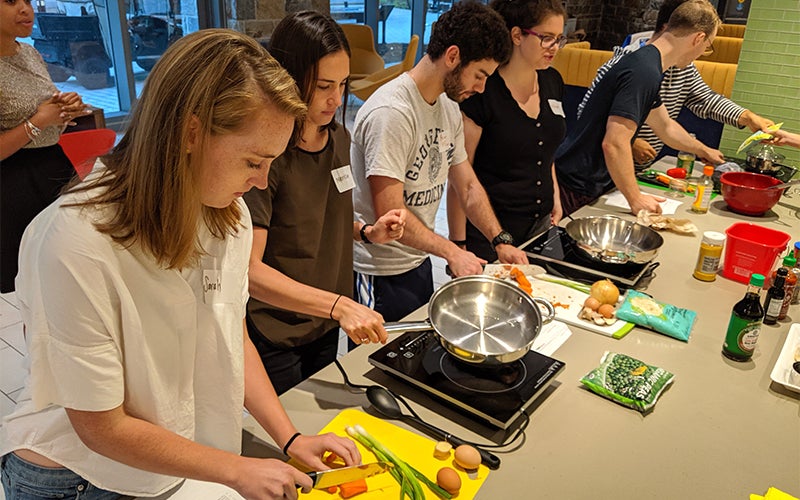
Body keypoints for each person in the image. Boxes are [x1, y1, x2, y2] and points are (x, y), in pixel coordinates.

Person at [0, 29, 360, 500]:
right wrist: (236, 470)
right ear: (190, 133)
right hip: (78, 475)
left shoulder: (226, 217)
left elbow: (228, 332)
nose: (261, 181)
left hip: (170, 457)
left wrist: (289, 437)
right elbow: (101, 427)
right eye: (253, 160)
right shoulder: (74, 242)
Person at [243, 11, 406, 395]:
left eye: (343, 84)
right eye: (323, 86)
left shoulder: (339, 138)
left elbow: (315, 221)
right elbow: (248, 271)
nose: (336, 99)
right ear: (289, 79)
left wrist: (366, 232)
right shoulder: (268, 155)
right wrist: (338, 305)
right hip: (277, 331)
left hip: (323, 322)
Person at [350, 0, 528, 322]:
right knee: (374, 362)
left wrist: (499, 240)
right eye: (480, 74)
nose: (482, 87)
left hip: (418, 262)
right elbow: (391, 215)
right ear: (453, 56)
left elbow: (468, 186)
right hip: (380, 271)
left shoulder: (447, 107)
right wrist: (452, 251)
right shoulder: (392, 113)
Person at [554, 0, 725, 217]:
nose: (702, 52)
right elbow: (614, 142)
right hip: (577, 184)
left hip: (588, 180)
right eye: (707, 46)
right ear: (698, 38)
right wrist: (635, 199)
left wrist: (703, 150)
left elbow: (665, 127)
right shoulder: (644, 71)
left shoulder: (648, 63)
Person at [577, 0, 773, 168]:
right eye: (706, 45)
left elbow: (702, 102)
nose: (702, 52)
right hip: (602, 166)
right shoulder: (629, 65)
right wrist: (630, 141)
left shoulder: (682, 68)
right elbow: (586, 114)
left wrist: (746, 117)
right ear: (668, 27)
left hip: (640, 169)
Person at [447, 0, 567, 262]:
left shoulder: (552, 80)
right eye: (546, 38)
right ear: (516, 35)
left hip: (542, 225)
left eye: (559, 38)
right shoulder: (482, 91)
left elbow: (546, 150)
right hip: (491, 229)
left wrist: (555, 197)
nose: (554, 47)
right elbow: (460, 178)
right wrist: (458, 245)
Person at [0, 0, 92, 293]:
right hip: (12, 182)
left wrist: (66, 109)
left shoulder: (29, 52)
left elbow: (48, 110)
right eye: (11, 2)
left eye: (28, 1)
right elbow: (38, 118)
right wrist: (39, 120)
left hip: (53, 167)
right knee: (30, 285)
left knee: (65, 273)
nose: (26, 10)